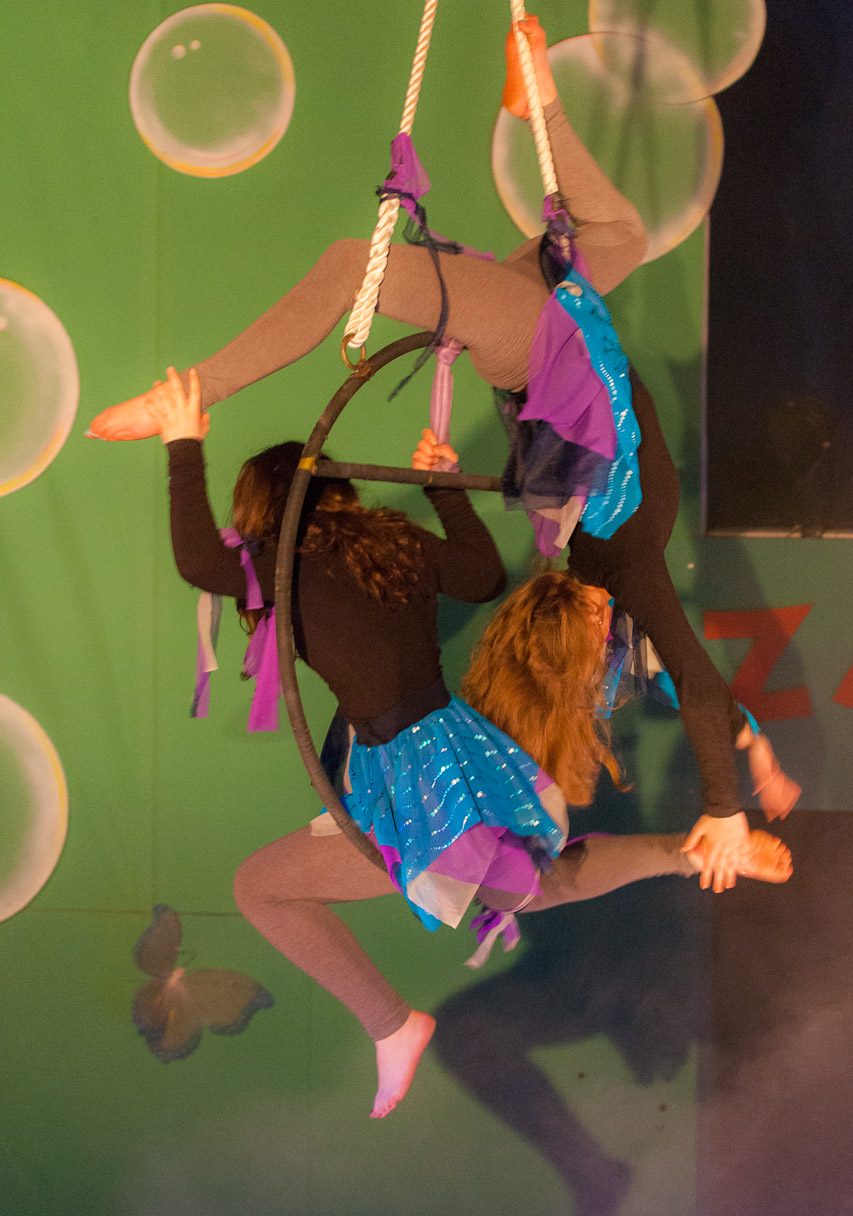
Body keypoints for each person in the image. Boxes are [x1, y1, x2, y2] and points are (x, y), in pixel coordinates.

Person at [89, 18, 798, 890]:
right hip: (561, 324)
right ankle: (535, 101)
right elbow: (687, 677)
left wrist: (726, 801)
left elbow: (679, 671)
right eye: (599, 637)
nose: (588, 622)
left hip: (542, 342)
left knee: (353, 264)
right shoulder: (624, 566)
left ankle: (193, 392)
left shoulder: (610, 558)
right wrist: (744, 775)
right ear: (611, 632)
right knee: (621, 236)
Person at [147, 369, 791, 1118]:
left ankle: (391, 1024)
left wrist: (182, 444)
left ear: (262, 515)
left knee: (263, 887)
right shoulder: (389, 544)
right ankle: (685, 852)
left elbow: (197, 562)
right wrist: (443, 491)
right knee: (528, 885)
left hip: (413, 772)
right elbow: (482, 576)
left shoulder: (282, 565)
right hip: (449, 749)